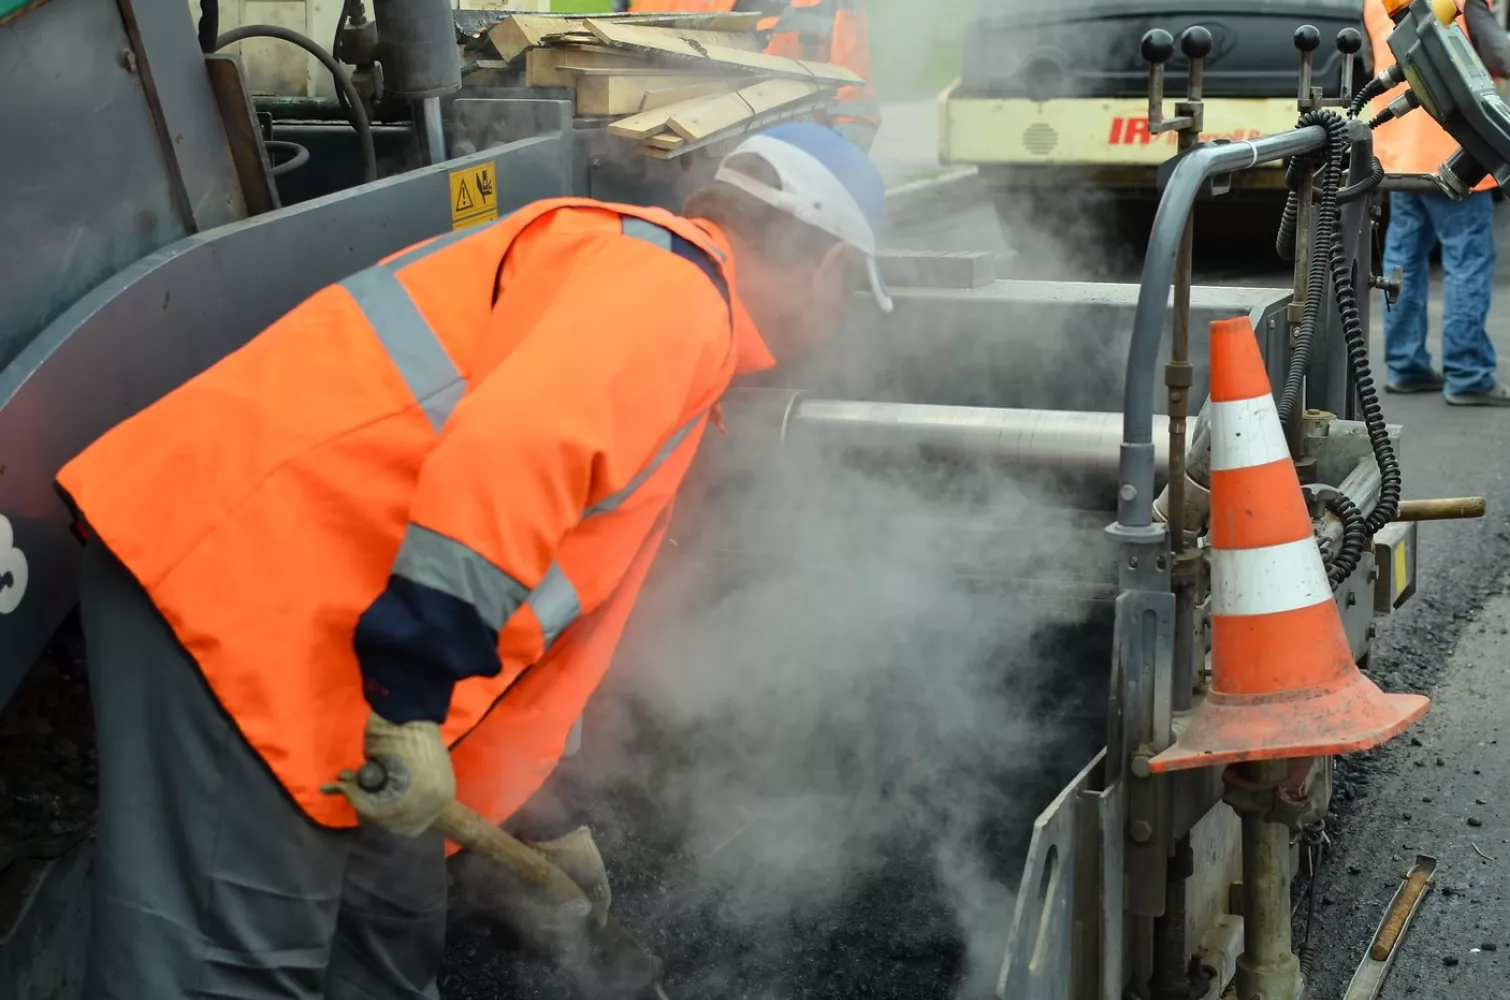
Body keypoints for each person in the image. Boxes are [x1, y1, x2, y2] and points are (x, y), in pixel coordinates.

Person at [58, 123, 891, 1000]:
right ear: (831, 266)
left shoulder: (650, 297)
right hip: (246, 598)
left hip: (345, 643)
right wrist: (407, 702)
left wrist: (542, 812)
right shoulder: (673, 292)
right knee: (227, 968)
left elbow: (526, 600)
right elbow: (510, 459)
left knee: (390, 936)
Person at [1363, 0, 1510, 405]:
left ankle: (1404, 365)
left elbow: (1369, 61)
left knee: (1403, 258)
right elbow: (1502, 58)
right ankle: (1468, 374)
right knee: (1466, 260)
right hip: (1457, 152)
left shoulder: (1374, 2)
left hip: (1400, 152)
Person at [624, 0, 881, 150]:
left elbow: (855, 115)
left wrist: (818, 178)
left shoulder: (832, 4)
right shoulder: (658, 4)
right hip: (678, 175)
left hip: (789, 176)